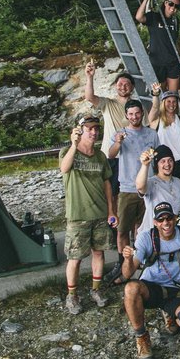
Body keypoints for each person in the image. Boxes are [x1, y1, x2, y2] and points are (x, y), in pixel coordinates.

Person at [120, 203, 180, 359]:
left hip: (176, 289)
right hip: (151, 288)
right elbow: (127, 274)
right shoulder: (145, 238)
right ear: (155, 222)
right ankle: (141, 337)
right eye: (161, 219)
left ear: (175, 218)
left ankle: (169, 312)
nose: (166, 223)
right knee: (131, 288)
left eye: (169, 218)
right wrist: (127, 259)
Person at [59, 115, 116, 315]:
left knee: (99, 252)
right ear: (80, 130)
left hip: (100, 214)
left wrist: (111, 210)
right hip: (78, 216)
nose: (94, 132)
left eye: (96, 129)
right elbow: (64, 168)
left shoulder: (100, 156)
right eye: (89, 128)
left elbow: (107, 184)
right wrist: (74, 145)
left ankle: (96, 290)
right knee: (74, 257)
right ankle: (72, 295)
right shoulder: (68, 152)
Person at [106, 99, 159, 282]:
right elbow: (110, 155)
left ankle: (141, 265)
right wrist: (118, 143)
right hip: (127, 188)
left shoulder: (152, 134)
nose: (134, 117)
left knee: (142, 229)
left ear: (142, 114)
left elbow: (158, 159)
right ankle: (123, 267)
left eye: (137, 113)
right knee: (122, 230)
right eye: (131, 114)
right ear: (126, 115)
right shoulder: (120, 134)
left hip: (148, 187)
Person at [83, 61, 135, 192]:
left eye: (126, 84)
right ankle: (112, 214)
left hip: (130, 157)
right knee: (110, 193)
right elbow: (89, 97)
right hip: (110, 156)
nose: (123, 87)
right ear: (115, 87)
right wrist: (89, 77)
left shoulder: (136, 107)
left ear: (132, 87)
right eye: (120, 84)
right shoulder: (108, 104)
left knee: (129, 193)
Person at [134, 0, 180, 91]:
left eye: (177, 6)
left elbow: (175, 40)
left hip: (172, 62)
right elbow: (139, 17)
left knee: (173, 94)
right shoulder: (154, 17)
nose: (173, 8)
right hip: (157, 62)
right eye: (171, 4)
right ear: (165, 3)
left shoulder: (176, 21)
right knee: (161, 93)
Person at [136, 145, 180, 232]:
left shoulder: (178, 182)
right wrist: (145, 165)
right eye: (162, 161)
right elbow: (140, 187)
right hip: (153, 233)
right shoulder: (151, 183)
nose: (167, 164)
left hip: (173, 232)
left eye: (170, 160)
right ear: (157, 164)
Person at [147, 88, 180, 183]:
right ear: (163, 103)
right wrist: (155, 94)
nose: (171, 104)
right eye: (168, 101)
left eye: (174, 102)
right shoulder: (157, 121)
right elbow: (152, 115)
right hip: (163, 162)